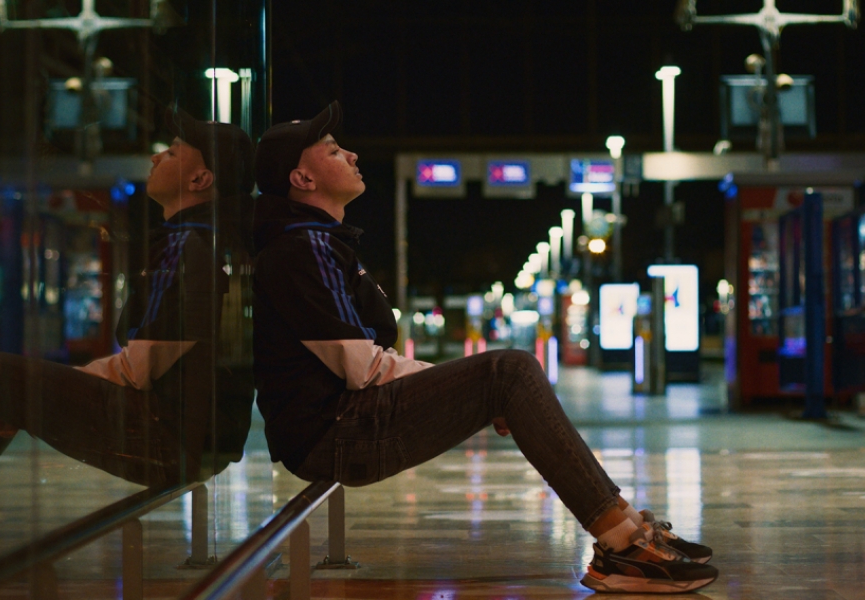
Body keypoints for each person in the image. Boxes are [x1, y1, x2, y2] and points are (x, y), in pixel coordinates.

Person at [249, 101, 718, 594]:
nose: (352, 153)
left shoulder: (318, 243)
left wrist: (464, 389)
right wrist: (472, 388)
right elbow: (361, 369)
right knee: (510, 371)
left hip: (340, 425)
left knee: (506, 378)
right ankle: (624, 548)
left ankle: (626, 527)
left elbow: (364, 362)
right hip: (335, 433)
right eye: (333, 150)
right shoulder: (302, 248)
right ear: (302, 179)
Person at [0, 107, 255, 489]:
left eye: (170, 152)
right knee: (1, 387)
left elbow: (138, 371)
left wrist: (41, 389)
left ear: (200, 178)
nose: (155, 157)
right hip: (207, 438)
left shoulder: (188, 242)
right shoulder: (223, 241)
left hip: (166, 436)